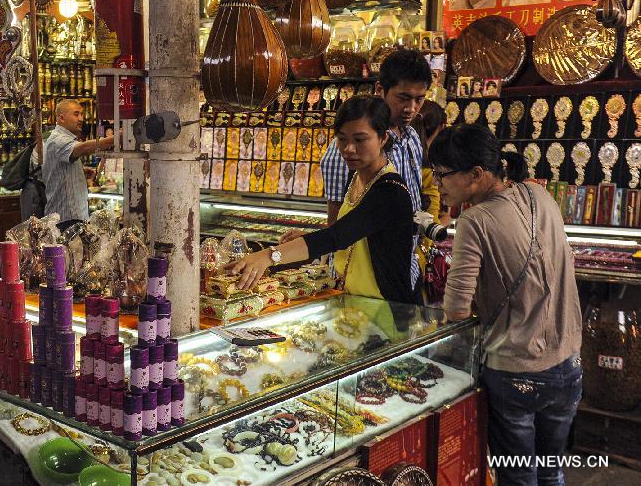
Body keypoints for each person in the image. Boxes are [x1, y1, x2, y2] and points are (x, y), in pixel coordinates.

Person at [428, 124, 582, 486]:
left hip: (516, 372)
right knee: (551, 472)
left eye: (443, 175)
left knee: (517, 478)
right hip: (570, 364)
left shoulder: (474, 220)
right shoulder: (538, 195)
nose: (437, 183)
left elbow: (456, 309)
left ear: (477, 175)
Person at [228, 95, 419, 321]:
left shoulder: (390, 191)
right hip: (356, 307)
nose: (349, 149)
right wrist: (308, 238)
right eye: (342, 139)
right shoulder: (357, 177)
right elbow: (355, 233)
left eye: (360, 139)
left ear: (383, 138)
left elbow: (337, 236)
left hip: (386, 314)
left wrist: (270, 256)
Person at [320, 49, 431, 292]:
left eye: (419, 99)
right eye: (403, 97)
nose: (411, 108)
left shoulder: (412, 137)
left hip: (405, 267)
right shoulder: (350, 152)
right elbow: (336, 224)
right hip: (365, 280)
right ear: (380, 90)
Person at [42, 100, 114, 231]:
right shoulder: (57, 140)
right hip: (66, 219)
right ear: (62, 117)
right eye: (76, 114)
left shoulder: (64, 139)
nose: (81, 118)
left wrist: (80, 171)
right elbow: (84, 148)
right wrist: (115, 139)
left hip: (72, 217)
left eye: (81, 114)